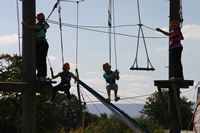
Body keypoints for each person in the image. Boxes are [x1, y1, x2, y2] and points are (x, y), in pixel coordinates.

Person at [22, 12, 50, 81]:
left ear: (38, 19)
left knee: (38, 60)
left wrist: (24, 24)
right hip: (45, 43)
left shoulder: (37, 26)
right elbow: (48, 25)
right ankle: (44, 76)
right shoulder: (44, 26)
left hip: (39, 43)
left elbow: (30, 27)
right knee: (43, 60)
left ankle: (40, 76)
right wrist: (45, 22)